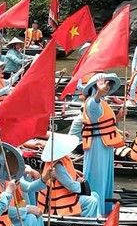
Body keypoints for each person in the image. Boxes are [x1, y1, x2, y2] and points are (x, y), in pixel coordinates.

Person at [73, 72, 123, 200]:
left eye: (108, 85)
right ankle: (96, 206)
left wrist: (119, 117)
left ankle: (105, 205)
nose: (107, 87)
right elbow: (93, 109)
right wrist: (98, 94)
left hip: (106, 144)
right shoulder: (92, 102)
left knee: (106, 175)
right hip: (97, 144)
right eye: (104, 84)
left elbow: (103, 123)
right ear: (95, 87)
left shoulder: (102, 103)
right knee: (98, 175)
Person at [33, 132, 102, 217]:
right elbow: (70, 185)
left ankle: (96, 217)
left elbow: (67, 174)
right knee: (92, 201)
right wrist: (82, 186)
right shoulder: (57, 166)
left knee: (95, 195)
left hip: (67, 195)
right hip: (58, 203)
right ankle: (85, 221)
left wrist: (76, 175)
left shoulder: (61, 160)